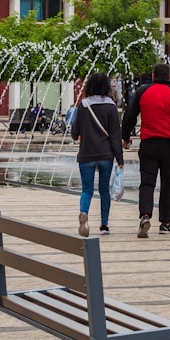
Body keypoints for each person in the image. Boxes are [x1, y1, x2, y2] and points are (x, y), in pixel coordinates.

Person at [122, 63, 170, 238]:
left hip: (148, 144)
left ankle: (145, 215)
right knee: (167, 185)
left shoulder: (142, 92)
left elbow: (129, 116)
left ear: (153, 76)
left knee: (147, 182)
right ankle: (165, 223)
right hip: (169, 145)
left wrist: (125, 136)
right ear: (169, 77)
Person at [71, 72, 124, 236]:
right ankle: (104, 225)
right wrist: (119, 158)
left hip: (86, 154)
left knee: (86, 190)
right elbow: (116, 136)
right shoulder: (110, 107)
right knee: (104, 191)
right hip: (105, 156)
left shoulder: (83, 105)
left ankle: (84, 214)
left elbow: (74, 133)